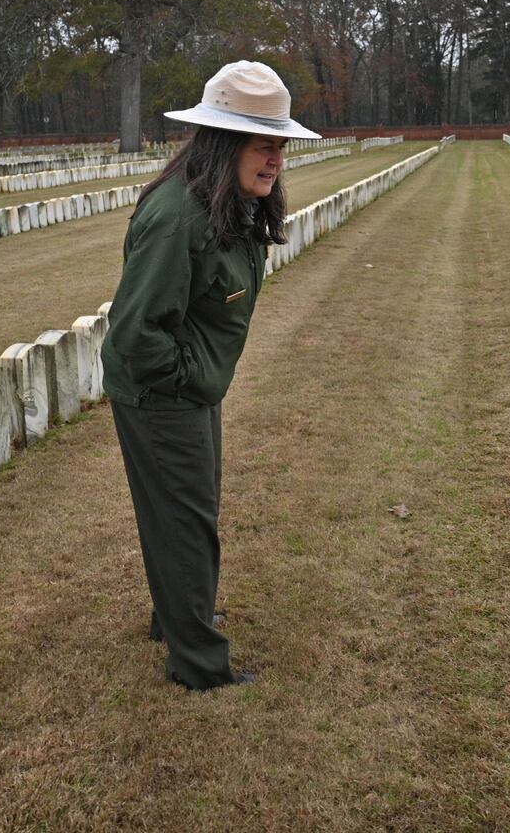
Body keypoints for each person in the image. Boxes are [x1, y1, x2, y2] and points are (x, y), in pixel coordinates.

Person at [101, 61, 320, 690]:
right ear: (225, 143)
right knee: (186, 516)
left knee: (188, 510)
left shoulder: (229, 202)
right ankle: (198, 660)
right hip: (161, 392)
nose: (275, 159)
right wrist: (192, 377)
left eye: (281, 145)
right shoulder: (177, 218)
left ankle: (176, 616)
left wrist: (200, 377)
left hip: (192, 384)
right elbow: (136, 333)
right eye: (263, 144)